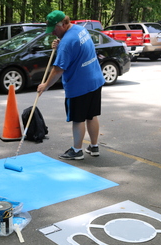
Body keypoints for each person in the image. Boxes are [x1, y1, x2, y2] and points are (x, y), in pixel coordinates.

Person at [37, 10, 105, 160]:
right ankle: (94, 147)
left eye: (54, 30)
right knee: (91, 115)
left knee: (78, 118)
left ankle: (77, 150)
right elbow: (76, 48)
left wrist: (45, 85)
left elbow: (57, 70)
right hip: (95, 79)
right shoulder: (80, 30)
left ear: (64, 24)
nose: (53, 33)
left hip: (79, 85)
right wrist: (61, 42)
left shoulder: (66, 43)